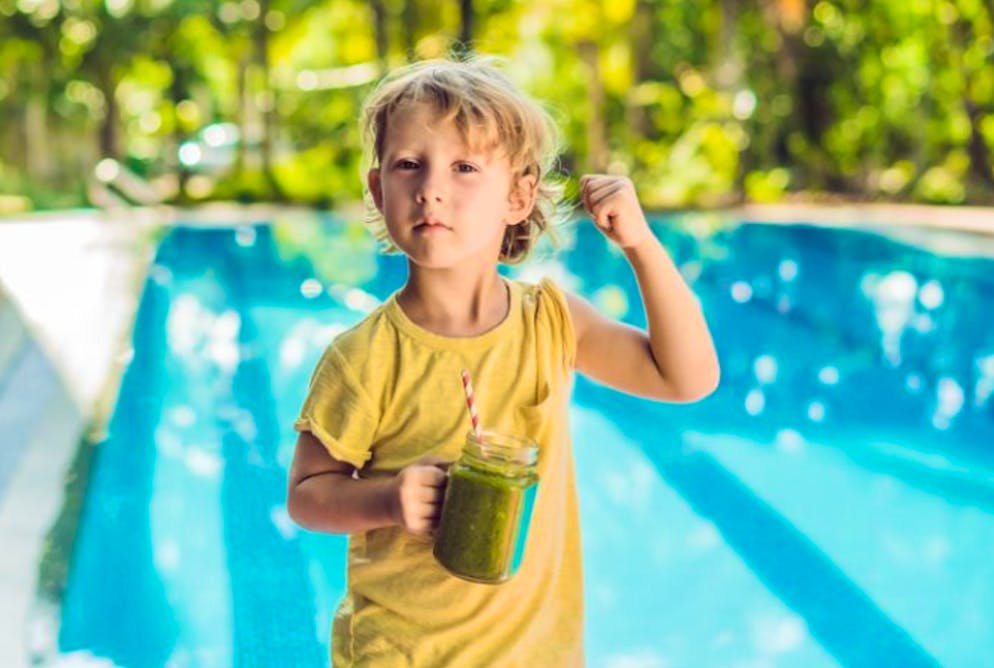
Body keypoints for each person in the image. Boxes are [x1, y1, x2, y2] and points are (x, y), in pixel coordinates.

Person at [287, 55, 720, 667]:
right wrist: (386, 500)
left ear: (518, 194)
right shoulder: (363, 358)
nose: (431, 187)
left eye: (464, 167)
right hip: (402, 652)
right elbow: (307, 495)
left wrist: (640, 246)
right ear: (379, 188)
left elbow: (688, 377)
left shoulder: (551, 322)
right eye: (410, 164)